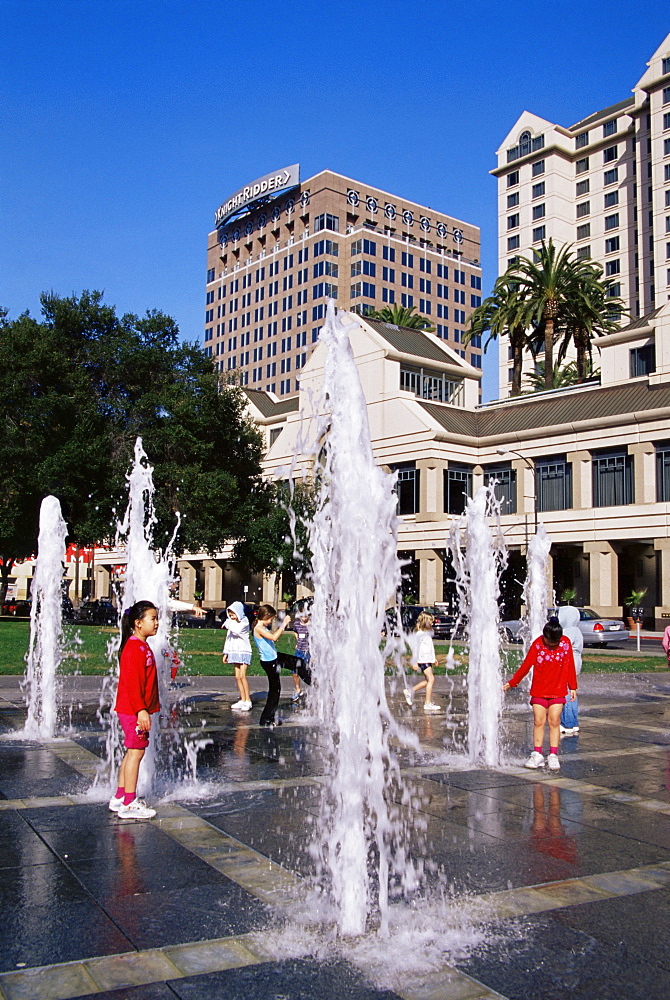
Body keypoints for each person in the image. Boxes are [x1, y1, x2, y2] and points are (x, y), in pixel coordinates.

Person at [503, 617, 577, 772]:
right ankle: (537, 753)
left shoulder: (565, 644)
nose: (551, 645)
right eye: (549, 642)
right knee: (538, 721)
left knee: (554, 721)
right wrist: (513, 682)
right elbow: (526, 665)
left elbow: (570, 664)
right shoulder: (538, 644)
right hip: (539, 690)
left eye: (554, 642)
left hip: (557, 690)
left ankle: (553, 755)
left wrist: (573, 686)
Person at [108, 600, 161, 819]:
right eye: (153, 618)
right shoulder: (134, 648)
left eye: (157, 618)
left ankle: (120, 796)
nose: (157, 623)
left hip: (134, 709)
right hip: (133, 710)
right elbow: (131, 682)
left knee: (132, 751)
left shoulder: (140, 645)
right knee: (136, 752)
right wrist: (141, 710)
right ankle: (130, 802)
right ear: (138, 623)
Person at [253, 604, 291, 728]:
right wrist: (284, 624)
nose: (271, 622)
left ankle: (311, 677)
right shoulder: (258, 628)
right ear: (266, 616)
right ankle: (266, 719)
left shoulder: (262, 627)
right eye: (271, 619)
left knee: (296, 661)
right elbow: (274, 637)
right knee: (275, 692)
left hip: (273, 658)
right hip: (270, 662)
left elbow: (270, 639)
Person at [404, 611, 440, 712]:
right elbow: (416, 648)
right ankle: (427, 703)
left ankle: (409, 692)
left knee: (428, 681)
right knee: (431, 679)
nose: (432, 624)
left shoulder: (425, 633)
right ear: (425, 622)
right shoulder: (420, 634)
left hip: (427, 660)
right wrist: (415, 662)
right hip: (423, 660)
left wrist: (433, 659)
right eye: (431, 622)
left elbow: (429, 648)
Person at [558, 605, 583, 736]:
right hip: (576, 663)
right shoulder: (577, 630)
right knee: (572, 692)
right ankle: (573, 722)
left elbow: (562, 648)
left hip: (568, 665)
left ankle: (567, 723)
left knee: (566, 694)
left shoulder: (568, 631)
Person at [223, 601, 253, 711]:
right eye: (230, 615)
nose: (231, 617)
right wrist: (226, 653)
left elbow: (237, 631)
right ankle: (242, 699)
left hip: (244, 651)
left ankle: (248, 700)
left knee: (242, 676)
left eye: (233, 615)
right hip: (234, 651)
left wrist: (227, 623)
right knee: (237, 676)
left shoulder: (244, 622)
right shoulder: (231, 623)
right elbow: (229, 638)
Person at [291, 603, 311, 701]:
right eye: (302, 615)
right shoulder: (296, 624)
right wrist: (297, 639)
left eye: (306, 615)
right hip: (299, 650)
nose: (303, 618)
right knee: (294, 671)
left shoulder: (312, 625)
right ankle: (298, 689)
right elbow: (295, 631)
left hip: (308, 651)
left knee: (308, 672)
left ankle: (314, 690)